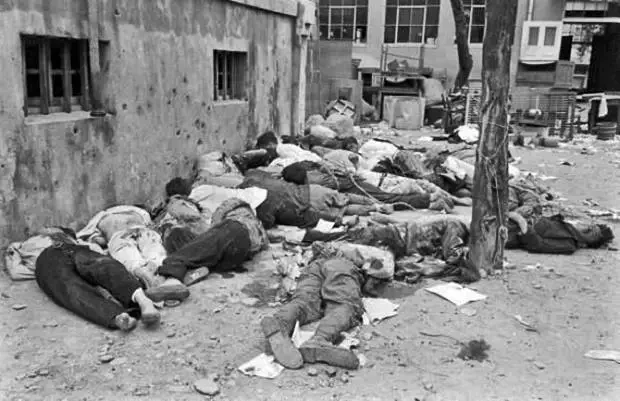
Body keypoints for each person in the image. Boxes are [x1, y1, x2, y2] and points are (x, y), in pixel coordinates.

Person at [261, 242, 393, 370]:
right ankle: (320, 339)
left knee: (304, 302)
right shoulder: (380, 254)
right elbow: (379, 272)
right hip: (339, 265)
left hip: (312, 267)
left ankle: (281, 322)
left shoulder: (337, 244)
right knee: (344, 304)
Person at [150, 198, 269, 299]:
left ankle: (173, 279)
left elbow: (216, 221)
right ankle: (196, 267)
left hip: (236, 234)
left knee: (202, 242)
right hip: (233, 255)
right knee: (184, 239)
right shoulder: (254, 226)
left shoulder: (237, 214)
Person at [36, 243, 160, 331]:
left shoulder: (73, 239)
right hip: (47, 260)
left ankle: (143, 301)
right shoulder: (30, 247)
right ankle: (117, 317)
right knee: (70, 288)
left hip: (74, 249)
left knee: (106, 265)